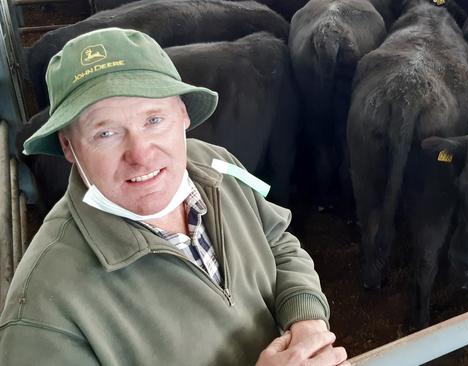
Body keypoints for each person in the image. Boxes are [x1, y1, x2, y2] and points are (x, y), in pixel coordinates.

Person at [0, 27, 349, 366]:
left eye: (153, 119)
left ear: (182, 114)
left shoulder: (217, 164)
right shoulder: (42, 313)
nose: (140, 154)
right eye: (105, 132)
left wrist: (306, 319)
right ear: (68, 147)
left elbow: (277, 241)